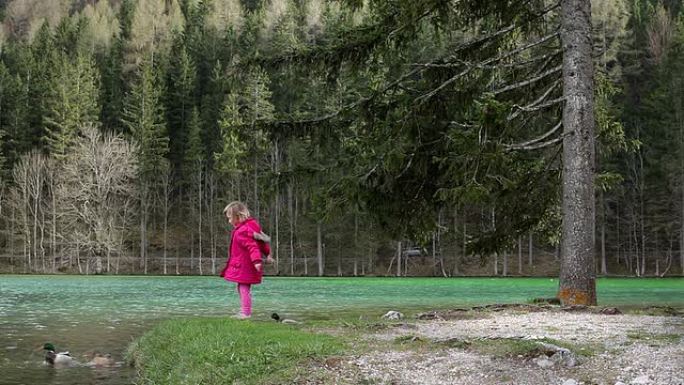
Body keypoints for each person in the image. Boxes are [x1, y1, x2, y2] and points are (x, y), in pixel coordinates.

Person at [220, 201, 272, 319]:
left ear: (238, 217)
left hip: (246, 265)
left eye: (230, 218)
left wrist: (257, 261)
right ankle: (244, 310)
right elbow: (262, 243)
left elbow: (252, 247)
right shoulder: (251, 228)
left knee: (243, 287)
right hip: (248, 265)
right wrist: (267, 254)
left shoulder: (241, 232)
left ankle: (246, 313)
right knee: (242, 287)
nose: (229, 221)